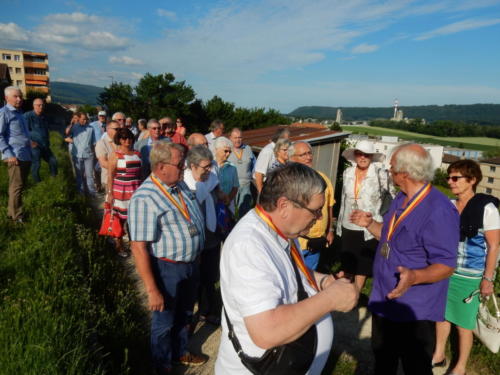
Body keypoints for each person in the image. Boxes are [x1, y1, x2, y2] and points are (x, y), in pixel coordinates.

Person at [215, 162, 359, 374]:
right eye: (316, 210)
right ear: (284, 206)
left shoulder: (280, 230)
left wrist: (324, 281)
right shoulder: (248, 246)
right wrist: (330, 299)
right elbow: (267, 332)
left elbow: (290, 272)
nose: (319, 217)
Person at [350, 143, 459, 375]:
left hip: (414, 308)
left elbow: (447, 265)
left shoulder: (438, 210)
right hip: (384, 300)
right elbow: (390, 239)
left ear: (404, 173)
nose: (389, 172)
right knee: (383, 361)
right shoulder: (401, 198)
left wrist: (415, 276)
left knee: (415, 367)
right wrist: (369, 224)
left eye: (391, 168)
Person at [129, 141, 207, 374]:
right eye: (179, 163)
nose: (184, 167)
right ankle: (162, 366)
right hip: (167, 268)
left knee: (184, 313)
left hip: (190, 264)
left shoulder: (179, 184)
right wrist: (152, 289)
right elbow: (138, 247)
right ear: (161, 167)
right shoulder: (145, 197)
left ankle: (180, 352)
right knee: (164, 322)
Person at [432, 160, 499, 375]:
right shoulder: (450, 205)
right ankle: (439, 354)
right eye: (449, 177)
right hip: (446, 271)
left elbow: (494, 246)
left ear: (472, 180)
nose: (450, 182)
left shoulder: (487, 209)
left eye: (455, 178)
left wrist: (488, 279)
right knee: (441, 316)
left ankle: (460, 367)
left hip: (470, 276)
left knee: (463, 323)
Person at [337, 140, 392, 290]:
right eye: (359, 154)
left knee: (363, 264)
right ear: (354, 155)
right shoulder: (347, 172)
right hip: (348, 223)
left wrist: (381, 218)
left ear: (372, 156)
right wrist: (339, 224)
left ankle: (356, 294)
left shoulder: (381, 175)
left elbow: (390, 196)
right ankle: (345, 294)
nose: (362, 157)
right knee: (348, 262)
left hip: (369, 226)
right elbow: (343, 198)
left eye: (366, 155)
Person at [185, 145, 222, 325]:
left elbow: (218, 198)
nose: (209, 170)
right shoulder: (184, 185)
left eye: (210, 166)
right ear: (192, 166)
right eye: (204, 167)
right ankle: (189, 315)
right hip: (193, 241)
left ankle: (206, 311)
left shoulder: (212, 179)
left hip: (212, 236)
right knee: (193, 278)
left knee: (209, 277)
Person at [289, 141, 335, 271]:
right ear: (292, 158)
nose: (308, 157)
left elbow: (329, 206)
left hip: (317, 242)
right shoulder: (288, 181)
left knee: (309, 277)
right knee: (293, 276)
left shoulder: (323, 178)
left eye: (309, 153)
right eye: (303, 155)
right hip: (296, 241)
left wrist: (330, 230)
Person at [106, 128, 142, 258]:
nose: (127, 140)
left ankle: (135, 246)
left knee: (134, 220)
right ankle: (119, 245)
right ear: (119, 140)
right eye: (123, 138)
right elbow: (110, 175)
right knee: (119, 220)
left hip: (136, 190)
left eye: (129, 137)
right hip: (120, 191)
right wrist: (109, 193)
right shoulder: (115, 155)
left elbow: (141, 174)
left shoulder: (138, 154)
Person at [0, 86, 31, 223]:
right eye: (15, 96)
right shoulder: (4, 113)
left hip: (25, 154)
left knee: (20, 185)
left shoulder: (19, 113)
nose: (19, 99)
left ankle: (11, 213)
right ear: (6, 98)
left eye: (20, 96)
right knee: (16, 187)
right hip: (15, 156)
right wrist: (8, 154)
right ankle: (17, 217)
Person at [24, 98, 58, 183]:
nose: (41, 107)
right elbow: (23, 131)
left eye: (42, 105)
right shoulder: (28, 116)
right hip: (35, 146)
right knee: (37, 164)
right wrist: (30, 142)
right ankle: (38, 183)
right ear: (34, 106)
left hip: (45, 145)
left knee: (53, 161)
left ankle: (54, 178)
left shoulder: (44, 116)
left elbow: (50, 128)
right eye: (38, 105)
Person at [65, 112, 97, 196]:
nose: (85, 121)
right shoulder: (74, 127)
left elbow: (94, 142)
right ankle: (81, 193)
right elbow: (67, 133)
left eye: (86, 119)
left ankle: (92, 193)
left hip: (89, 155)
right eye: (83, 119)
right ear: (78, 119)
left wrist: (95, 154)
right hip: (77, 155)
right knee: (79, 175)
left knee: (89, 175)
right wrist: (71, 123)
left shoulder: (91, 128)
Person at [227, 128, 255, 218]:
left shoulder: (248, 149)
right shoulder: (226, 149)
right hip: (230, 185)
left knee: (244, 211)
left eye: (240, 137)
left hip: (245, 185)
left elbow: (254, 166)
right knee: (229, 211)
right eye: (235, 138)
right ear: (230, 138)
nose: (238, 140)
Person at [254, 127, 290, 192]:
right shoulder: (268, 150)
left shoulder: (280, 149)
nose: (289, 140)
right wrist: (261, 192)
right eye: (287, 138)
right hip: (263, 184)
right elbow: (258, 173)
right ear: (280, 139)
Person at [213, 137, 239, 214]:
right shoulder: (210, 166)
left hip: (228, 205)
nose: (228, 154)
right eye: (226, 151)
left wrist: (228, 200)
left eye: (230, 152)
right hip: (214, 204)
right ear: (217, 149)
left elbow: (235, 186)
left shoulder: (232, 167)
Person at [95, 120, 120, 193]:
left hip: (122, 179)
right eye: (116, 129)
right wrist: (120, 168)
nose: (119, 131)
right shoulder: (101, 143)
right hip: (108, 180)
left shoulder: (121, 142)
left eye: (120, 129)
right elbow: (103, 163)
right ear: (108, 129)